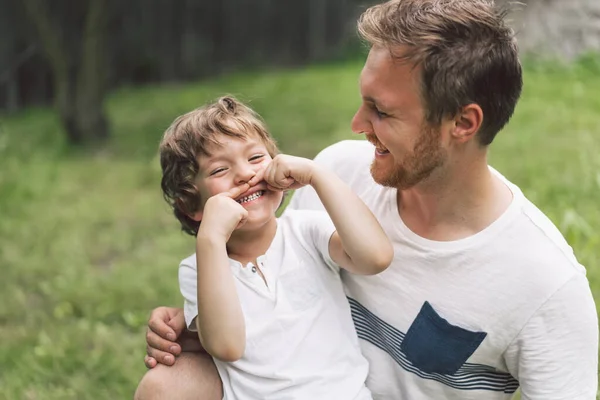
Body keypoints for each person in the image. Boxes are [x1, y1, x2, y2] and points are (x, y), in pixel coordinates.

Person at [136, 0, 599, 399]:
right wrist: (191, 328)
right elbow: (275, 291)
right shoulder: (341, 171)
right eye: (364, 101)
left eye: (382, 110)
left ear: (463, 123)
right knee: (166, 386)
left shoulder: (546, 287)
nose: (357, 123)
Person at [146, 95, 393, 400]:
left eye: (255, 158)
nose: (246, 175)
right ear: (191, 205)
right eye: (220, 170)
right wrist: (210, 238)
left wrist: (317, 175)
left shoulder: (306, 230)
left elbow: (376, 257)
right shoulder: (199, 268)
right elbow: (227, 346)